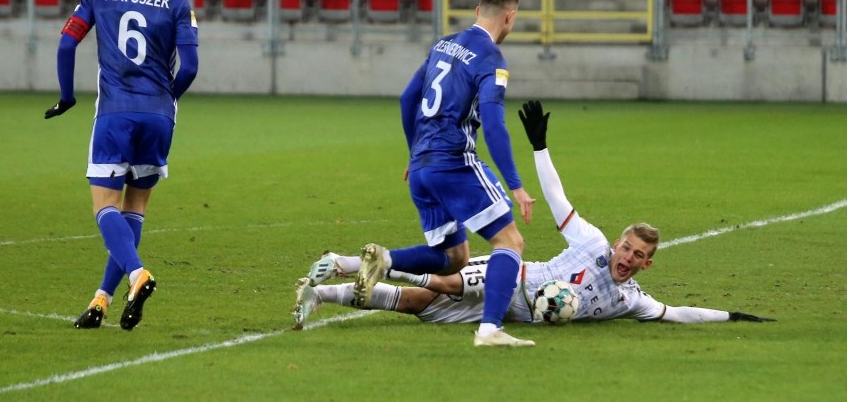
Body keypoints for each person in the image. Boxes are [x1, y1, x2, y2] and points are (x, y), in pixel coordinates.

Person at [292, 101, 774, 330]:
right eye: (627, 246)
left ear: (648, 264)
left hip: (509, 314)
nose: (626, 256)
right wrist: (540, 147)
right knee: (442, 282)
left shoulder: (632, 300)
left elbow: (677, 314)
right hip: (511, 279)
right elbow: (559, 201)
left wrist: (729, 314)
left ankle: (323, 288)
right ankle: (357, 262)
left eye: (638, 255)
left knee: (418, 306)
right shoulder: (592, 243)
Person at [337, 0, 536, 347]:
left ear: (478, 11)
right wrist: (516, 184)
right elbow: (493, 123)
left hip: (423, 168)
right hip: (454, 163)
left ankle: (384, 259)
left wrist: (415, 154)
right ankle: (490, 329)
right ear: (509, 17)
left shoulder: (443, 43)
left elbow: (407, 98)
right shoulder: (492, 60)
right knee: (510, 240)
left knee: (455, 257)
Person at [44, 0, 199, 331]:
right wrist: (169, 99)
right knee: (135, 209)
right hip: (159, 118)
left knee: (104, 207)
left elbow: (66, 44)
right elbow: (192, 67)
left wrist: (67, 97)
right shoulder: (177, 4)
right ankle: (101, 299)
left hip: (115, 114)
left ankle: (137, 274)